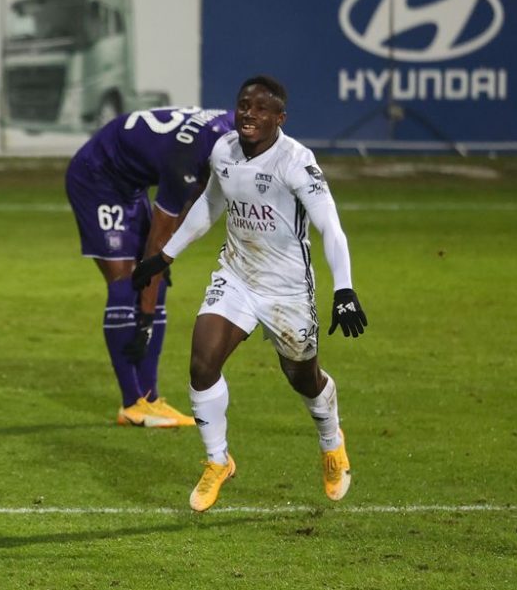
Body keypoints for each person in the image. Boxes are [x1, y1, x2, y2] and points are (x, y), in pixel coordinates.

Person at [132, 75, 367, 512]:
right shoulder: (223, 150)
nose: (249, 114)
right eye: (244, 105)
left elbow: (329, 226)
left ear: (280, 118)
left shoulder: (296, 161)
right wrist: (164, 256)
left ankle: (331, 441)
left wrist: (345, 289)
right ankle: (217, 460)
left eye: (261, 109)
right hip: (236, 274)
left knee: (302, 377)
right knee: (202, 363)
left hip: (287, 288)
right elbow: (209, 204)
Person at [65, 106, 235, 427]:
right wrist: (144, 316)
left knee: (156, 278)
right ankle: (133, 404)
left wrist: (161, 264)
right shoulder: (184, 163)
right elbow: (161, 238)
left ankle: (150, 399)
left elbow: (186, 214)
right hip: (97, 175)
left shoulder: (233, 128)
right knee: (128, 279)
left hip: (130, 182)